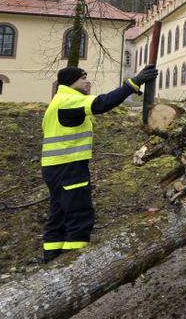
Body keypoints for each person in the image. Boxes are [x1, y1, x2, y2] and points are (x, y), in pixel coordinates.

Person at [41, 64, 158, 262]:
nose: (87, 82)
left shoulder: (57, 101)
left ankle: (51, 259)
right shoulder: (68, 101)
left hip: (55, 168)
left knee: (59, 214)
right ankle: (74, 263)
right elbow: (102, 103)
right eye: (82, 78)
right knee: (79, 214)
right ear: (71, 82)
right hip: (69, 167)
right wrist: (133, 83)